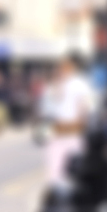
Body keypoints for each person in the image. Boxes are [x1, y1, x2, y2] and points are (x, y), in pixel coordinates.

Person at [39, 55, 95, 184]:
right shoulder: (51, 86)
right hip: (56, 131)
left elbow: (87, 106)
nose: (61, 71)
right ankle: (57, 190)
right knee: (55, 166)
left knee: (74, 163)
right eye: (59, 69)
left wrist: (82, 120)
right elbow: (45, 111)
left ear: (71, 69)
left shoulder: (80, 85)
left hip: (74, 130)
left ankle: (70, 189)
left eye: (64, 68)